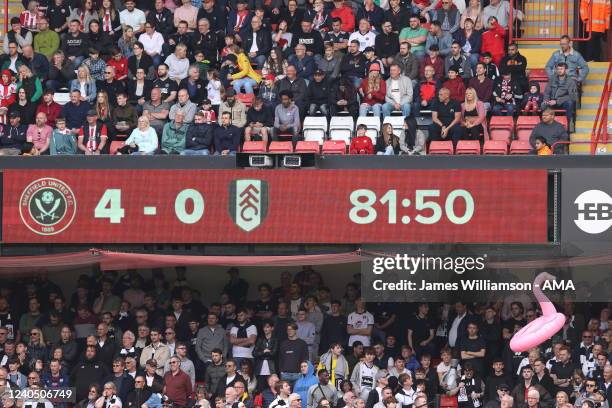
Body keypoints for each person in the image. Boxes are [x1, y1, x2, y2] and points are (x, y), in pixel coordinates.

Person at [542, 63, 577, 129]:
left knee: (570, 103)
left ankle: (567, 125)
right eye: (558, 69)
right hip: (551, 101)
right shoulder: (552, 79)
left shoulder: (571, 81)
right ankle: (544, 126)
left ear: (566, 70)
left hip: (562, 102)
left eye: (561, 69)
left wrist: (557, 101)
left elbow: (573, 96)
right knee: (543, 104)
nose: (559, 70)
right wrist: (546, 100)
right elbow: (547, 92)